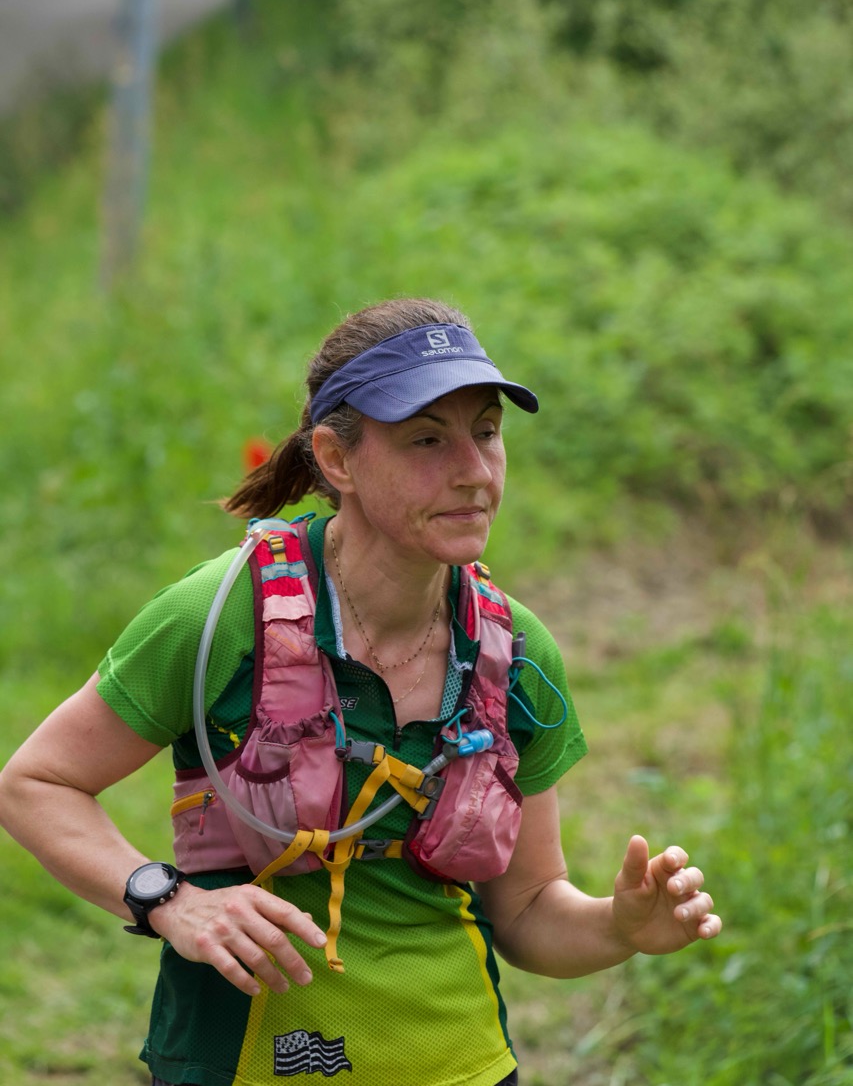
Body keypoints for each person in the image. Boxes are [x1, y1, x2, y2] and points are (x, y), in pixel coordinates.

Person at [0, 298, 721, 1086]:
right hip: (244, 1063)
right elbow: (36, 784)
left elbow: (525, 910)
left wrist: (618, 927)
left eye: (486, 432)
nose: (474, 471)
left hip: (463, 1065)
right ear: (336, 459)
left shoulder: (516, 652)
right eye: (426, 440)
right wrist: (168, 901)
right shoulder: (219, 617)